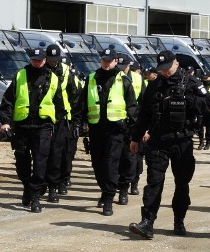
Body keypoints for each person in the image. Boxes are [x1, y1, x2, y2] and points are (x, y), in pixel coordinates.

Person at [128, 50, 210, 239]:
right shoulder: (155, 85)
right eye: (162, 69)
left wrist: (185, 99)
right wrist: (135, 137)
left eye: (168, 68)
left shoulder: (191, 82)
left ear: (176, 63)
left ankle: (179, 220)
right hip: (158, 141)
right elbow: (144, 114)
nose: (165, 72)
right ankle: (147, 222)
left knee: (182, 184)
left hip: (182, 141)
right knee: (154, 182)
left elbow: (208, 103)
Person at [0, 47, 66, 213]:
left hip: (43, 127)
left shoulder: (53, 79)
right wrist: (5, 123)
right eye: (34, 60)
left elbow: (59, 106)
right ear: (30, 59)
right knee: (22, 163)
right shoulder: (20, 75)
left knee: (40, 162)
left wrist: (55, 125)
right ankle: (28, 186)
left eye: (40, 60)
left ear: (45, 60)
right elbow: (8, 101)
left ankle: (36, 197)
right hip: (22, 126)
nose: (37, 63)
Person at [81, 48, 138, 216]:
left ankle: (108, 197)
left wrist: (134, 130)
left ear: (115, 62)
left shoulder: (124, 80)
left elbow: (132, 106)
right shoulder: (91, 78)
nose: (106, 63)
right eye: (104, 60)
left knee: (110, 163)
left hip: (116, 130)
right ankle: (105, 189)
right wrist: (81, 123)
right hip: (96, 128)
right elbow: (83, 103)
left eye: (109, 60)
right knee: (97, 164)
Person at [43, 44, 81, 203]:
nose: (52, 63)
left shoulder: (66, 72)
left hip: (62, 118)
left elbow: (75, 95)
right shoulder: (40, 69)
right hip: (44, 117)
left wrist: (76, 119)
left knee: (60, 154)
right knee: (43, 153)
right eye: (50, 60)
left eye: (55, 60)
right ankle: (44, 183)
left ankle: (57, 183)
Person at [116, 53, 146, 204]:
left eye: (124, 67)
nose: (122, 69)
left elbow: (145, 102)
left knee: (133, 157)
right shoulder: (112, 78)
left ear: (129, 66)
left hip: (134, 123)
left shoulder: (138, 79)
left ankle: (131, 183)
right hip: (116, 123)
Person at [197, 70, 210, 150]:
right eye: (203, 77)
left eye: (206, 77)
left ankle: (208, 142)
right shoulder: (199, 85)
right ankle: (201, 142)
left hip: (209, 108)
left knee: (209, 127)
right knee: (200, 126)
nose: (204, 78)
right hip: (200, 108)